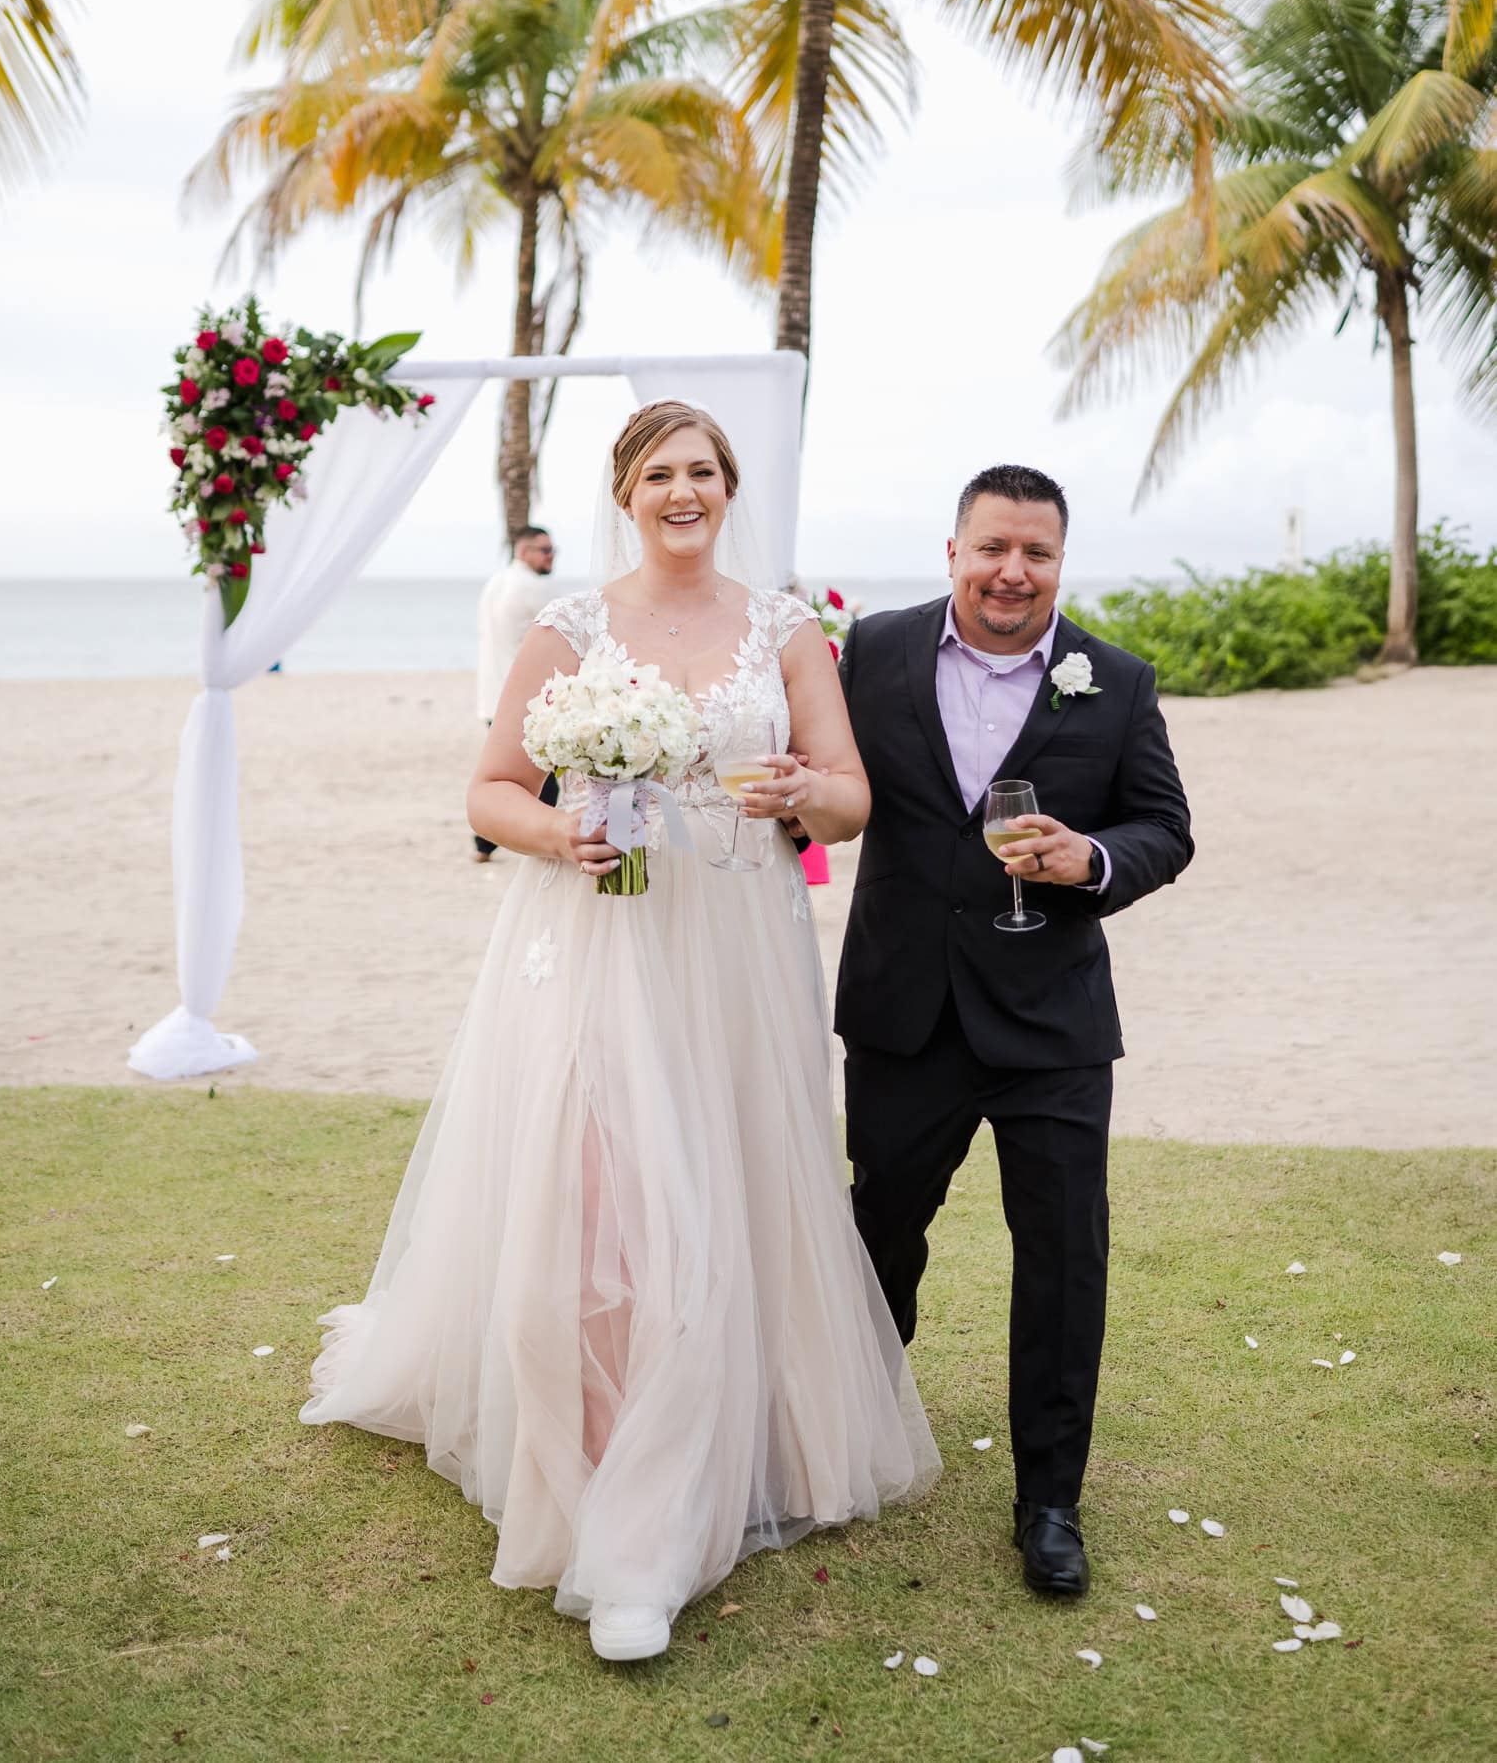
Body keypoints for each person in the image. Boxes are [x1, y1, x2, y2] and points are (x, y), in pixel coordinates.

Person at [301, 402, 938, 1661]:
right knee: (603, 1212)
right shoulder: (570, 628)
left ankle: (708, 1465)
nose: (684, 491)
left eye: (704, 471)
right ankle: (613, 1506)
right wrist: (560, 832)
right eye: (662, 473)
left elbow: (852, 797)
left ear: (730, 488)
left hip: (741, 952)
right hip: (595, 947)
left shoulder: (786, 628)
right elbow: (490, 790)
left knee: (723, 1194)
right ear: (625, 491)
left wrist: (811, 794)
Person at [835, 463, 1192, 1600]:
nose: (1012, 571)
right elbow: (824, 779)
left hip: (1053, 1024)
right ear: (952, 552)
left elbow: (1164, 830)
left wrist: (1090, 859)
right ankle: (849, 1438)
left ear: (1059, 563)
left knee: (1063, 1262)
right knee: (876, 1231)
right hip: (904, 1009)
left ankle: (1050, 1503)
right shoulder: (872, 653)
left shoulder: (1117, 682)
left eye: (1036, 552)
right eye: (993, 547)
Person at [472, 525, 555, 860]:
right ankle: (543, 846)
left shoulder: (495, 583)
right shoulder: (534, 587)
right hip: (524, 699)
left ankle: (482, 846)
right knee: (543, 778)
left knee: (503, 775)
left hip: (492, 695)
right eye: (545, 550)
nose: (551, 557)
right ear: (524, 552)